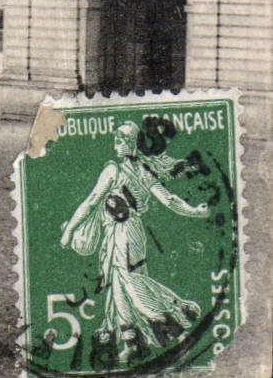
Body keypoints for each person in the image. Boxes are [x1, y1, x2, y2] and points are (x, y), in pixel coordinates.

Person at [59, 121, 208, 364]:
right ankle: (132, 344)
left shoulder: (114, 171)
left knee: (130, 283)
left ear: (128, 143)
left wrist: (69, 232)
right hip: (128, 233)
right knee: (119, 289)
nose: (115, 145)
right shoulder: (144, 170)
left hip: (122, 234)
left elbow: (91, 201)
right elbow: (169, 199)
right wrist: (194, 211)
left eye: (119, 140)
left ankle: (173, 320)